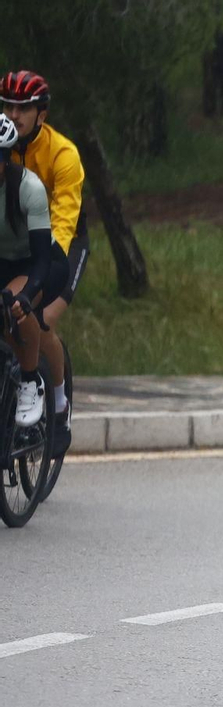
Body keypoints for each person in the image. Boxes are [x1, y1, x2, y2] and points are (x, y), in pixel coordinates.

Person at [1, 71, 82, 451]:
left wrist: (43, 271)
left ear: (42, 115)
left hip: (60, 245)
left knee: (37, 320)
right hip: (15, 245)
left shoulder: (62, 154)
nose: (14, 115)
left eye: (24, 108)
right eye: (8, 106)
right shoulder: (4, 145)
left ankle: (60, 403)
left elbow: (64, 219)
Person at [0, 114, 67, 430]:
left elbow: (41, 260)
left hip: (42, 263)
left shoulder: (29, 188)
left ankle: (32, 382)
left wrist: (27, 296)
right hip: (5, 261)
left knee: (13, 307)